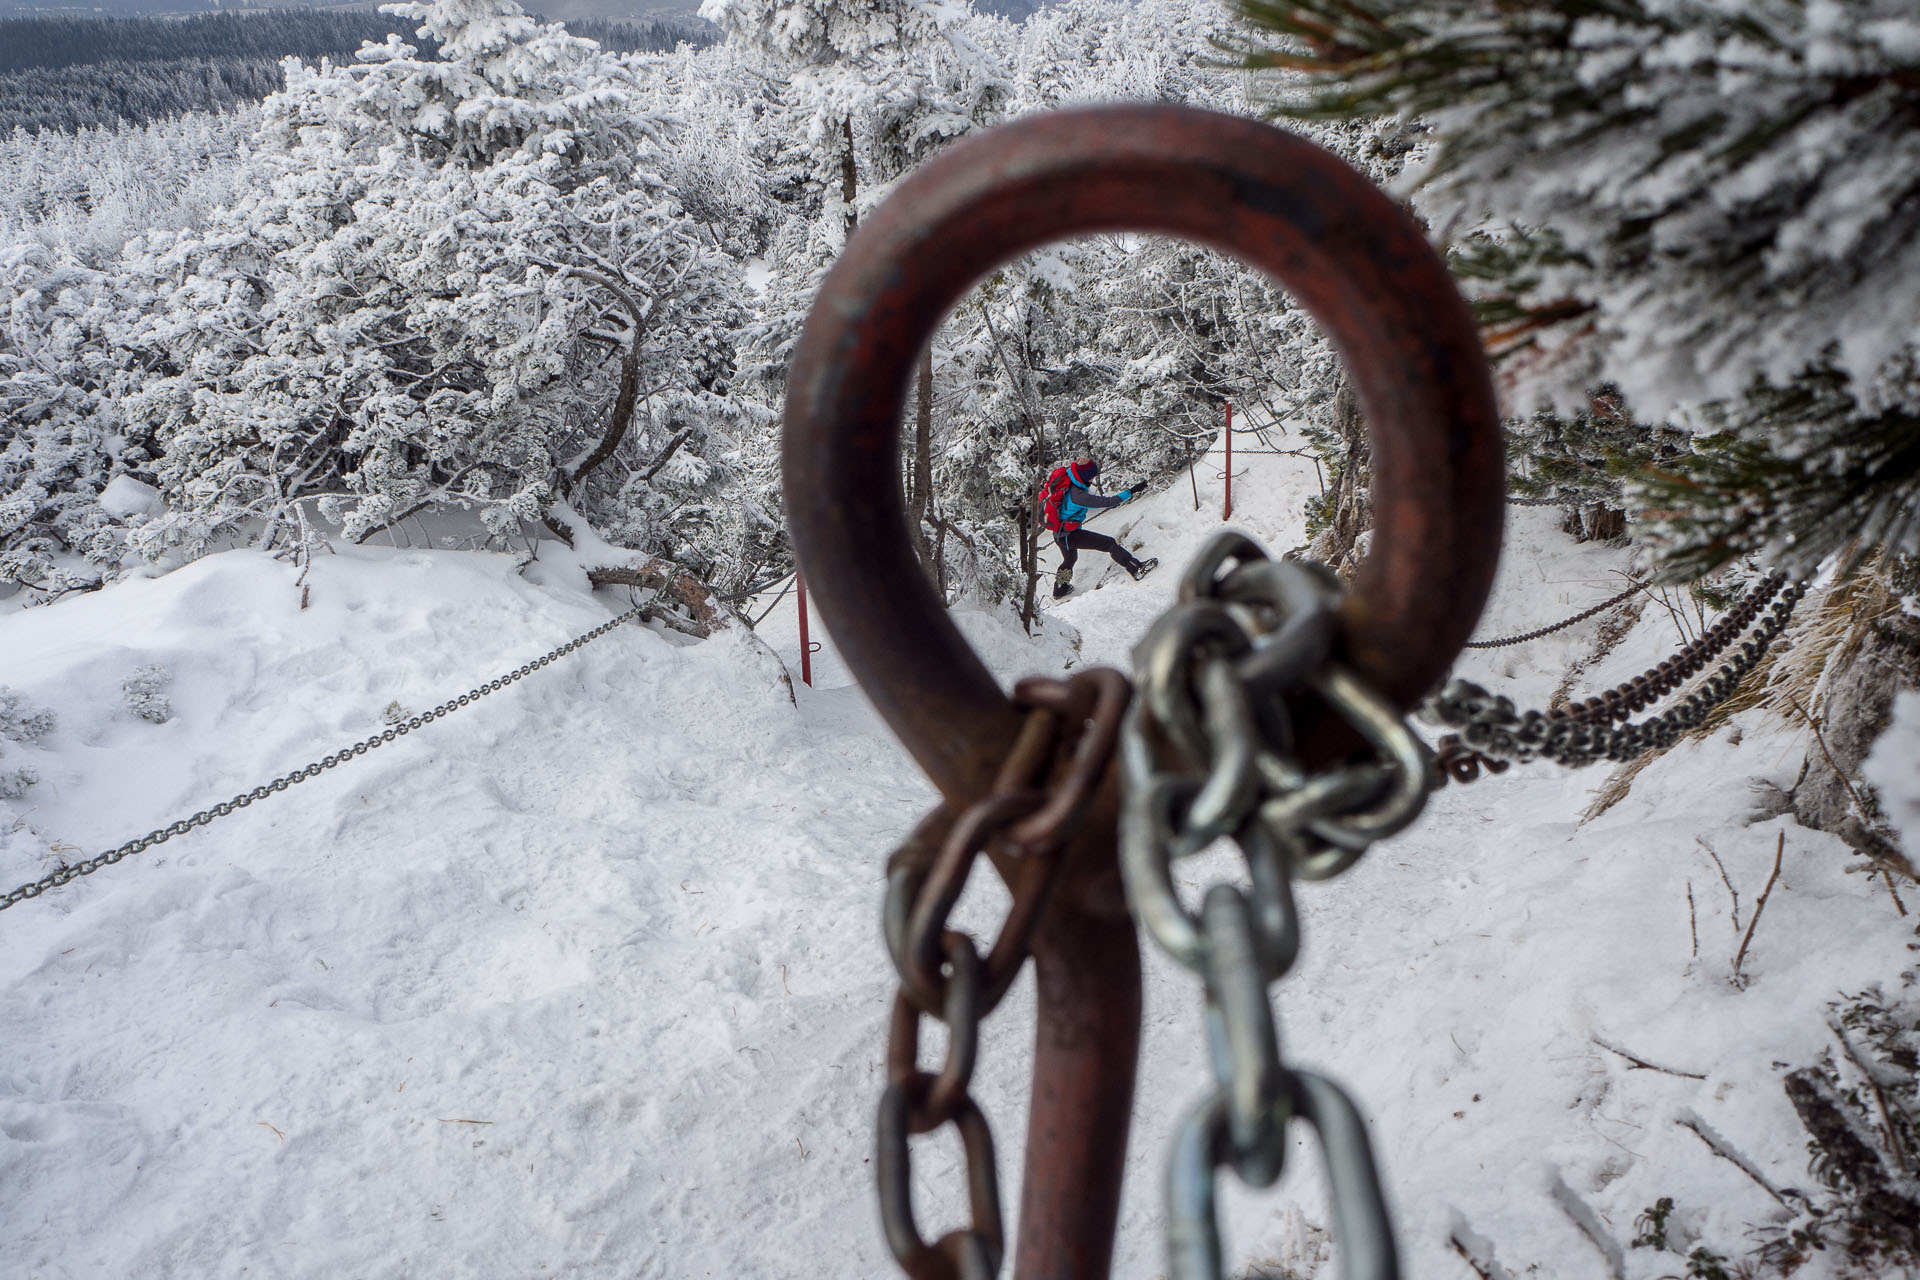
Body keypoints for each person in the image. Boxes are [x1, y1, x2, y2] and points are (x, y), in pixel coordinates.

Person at [1039, 453, 1157, 599]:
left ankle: (1060, 590)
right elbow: (1108, 502)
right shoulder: (1078, 496)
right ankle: (1136, 568)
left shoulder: (1068, 479)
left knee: (1069, 560)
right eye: (1091, 477)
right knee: (1109, 543)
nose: (1093, 479)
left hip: (1059, 533)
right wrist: (1132, 491)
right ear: (1084, 476)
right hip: (1069, 535)